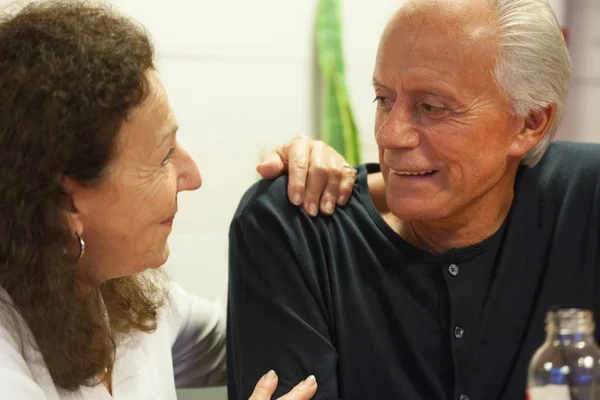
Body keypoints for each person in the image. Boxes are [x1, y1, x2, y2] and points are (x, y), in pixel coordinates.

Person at [227, 0, 599, 399]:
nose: (390, 135)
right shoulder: (295, 227)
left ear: (529, 123)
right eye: (383, 99)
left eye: (432, 108)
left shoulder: (586, 203)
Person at [0, 1, 358, 399]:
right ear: (68, 202)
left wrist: (326, 169)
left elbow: (254, 335)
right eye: (164, 156)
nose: (193, 178)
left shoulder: (118, 293)